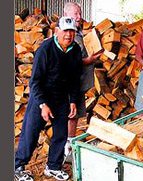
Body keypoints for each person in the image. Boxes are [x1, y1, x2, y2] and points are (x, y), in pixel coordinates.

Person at [14, 17, 82, 181]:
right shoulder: (45, 49)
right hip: (41, 98)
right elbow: (35, 82)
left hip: (61, 98)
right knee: (30, 133)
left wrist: (73, 100)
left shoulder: (75, 50)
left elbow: (75, 79)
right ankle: (18, 166)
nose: (68, 35)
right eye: (65, 31)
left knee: (60, 133)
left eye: (71, 31)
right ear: (57, 31)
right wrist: (42, 105)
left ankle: (53, 166)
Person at [63, 2, 103, 162]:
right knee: (68, 114)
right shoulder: (65, 34)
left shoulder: (79, 31)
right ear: (66, 15)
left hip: (78, 84)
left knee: (74, 115)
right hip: (68, 84)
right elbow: (69, 62)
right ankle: (64, 150)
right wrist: (90, 59)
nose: (79, 17)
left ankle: (68, 147)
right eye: (76, 14)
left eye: (80, 13)